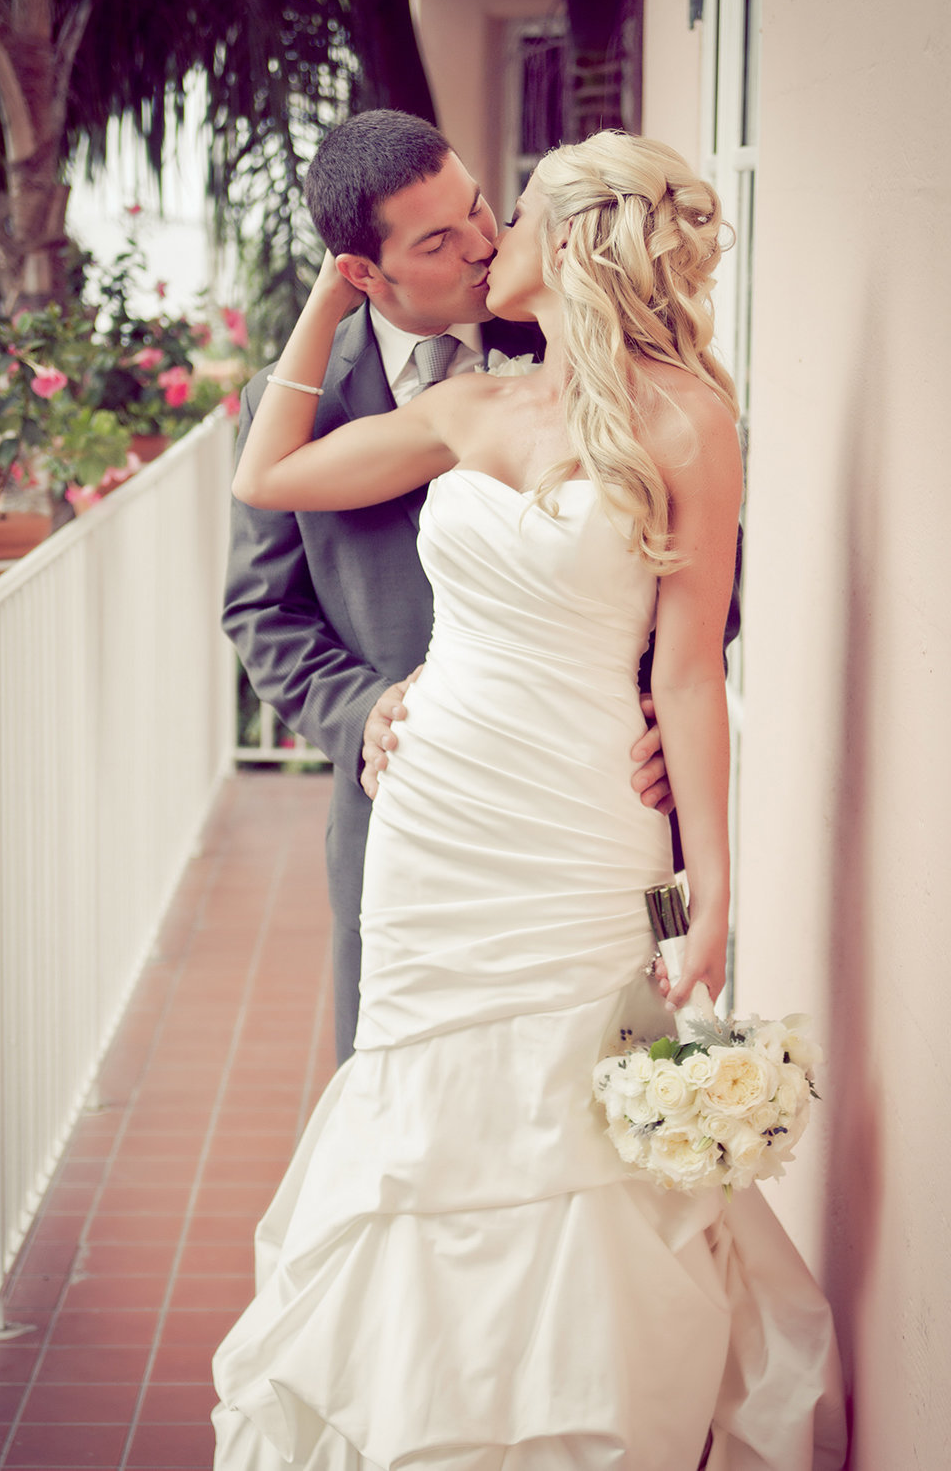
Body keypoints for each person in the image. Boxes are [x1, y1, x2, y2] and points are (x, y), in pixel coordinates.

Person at [213, 131, 846, 1469]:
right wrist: (327, 303)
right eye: (447, 234)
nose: (485, 239)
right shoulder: (474, 407)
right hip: (433, 822)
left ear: (564, 246)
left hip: (584, 818)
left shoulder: (688, 419)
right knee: (423, 1119)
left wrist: (707, 886)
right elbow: (265, 479)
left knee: (582, 1105)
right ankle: (421, 1417)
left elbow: (685, 668)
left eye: (501, 216)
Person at [223, 111, 688, 1065]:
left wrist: (657, 703)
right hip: (410, 803)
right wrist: (362, 713)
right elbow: (260, 611)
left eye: (481, 208)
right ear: (362, 272)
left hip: (587, 792)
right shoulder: (292, 405)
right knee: (408, 1088)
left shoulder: (574, 334)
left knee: (607, 1069)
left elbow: (701, 561)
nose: (482, 246)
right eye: (438, 240)